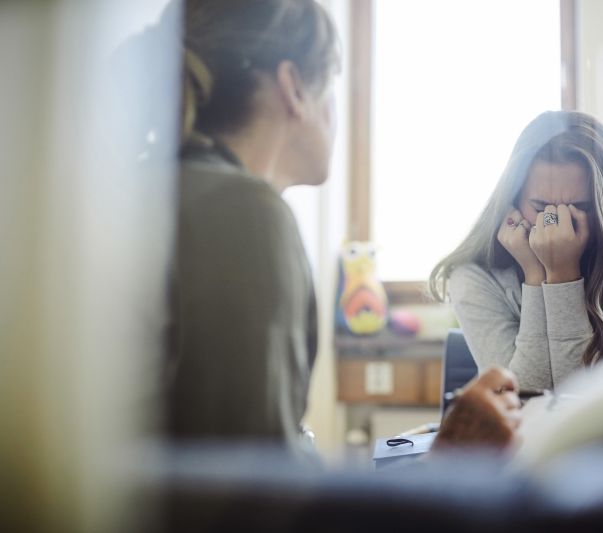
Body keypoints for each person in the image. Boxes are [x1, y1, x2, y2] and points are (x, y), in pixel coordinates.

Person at [165, 0, 521, 459]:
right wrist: (449, 462)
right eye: (331, 86)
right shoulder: (244, 213)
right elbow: (249, 504)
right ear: (294, 88)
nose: (336, 111)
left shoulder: (180, 190)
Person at [430, 111, 603, 391]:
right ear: (511, 201)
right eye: (540, 208)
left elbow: (584, 405)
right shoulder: (474, 276)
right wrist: (536, 277)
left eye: (582, 209)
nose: (557, 224)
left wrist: (562, 275)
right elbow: (522, 400)